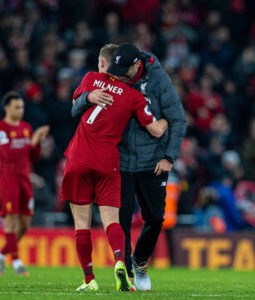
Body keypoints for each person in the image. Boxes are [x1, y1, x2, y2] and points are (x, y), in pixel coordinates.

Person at [72, 42, 186, 291]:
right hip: (119, 161)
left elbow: (178, 120)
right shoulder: (119, 83)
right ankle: (124, 270)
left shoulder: (158, 81)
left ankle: (140, 261)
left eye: (123, 69)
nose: (117, 73)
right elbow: (77, 107)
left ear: (137, 66)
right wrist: (87, 97)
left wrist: (168, 158)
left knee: (155, 218)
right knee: (120, 219)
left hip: (152, 162)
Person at [0, 91, 49, 275]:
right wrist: (31, 142)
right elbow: (7, 154)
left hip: (25, 177)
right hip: (8, 177)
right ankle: (16, 262)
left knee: (25, 223)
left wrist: (37, 142)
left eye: (22, 107)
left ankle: (0, 255)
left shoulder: (26, 127)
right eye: (17, 107)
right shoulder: (0, 129)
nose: (21, 110)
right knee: (12, 219)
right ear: (7, 108)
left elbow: (34, 156)